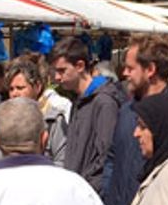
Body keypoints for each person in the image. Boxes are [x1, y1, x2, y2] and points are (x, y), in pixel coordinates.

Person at [52, 37, 124, 192]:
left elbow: (105, 156)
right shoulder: (78, 101)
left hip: (89, 194)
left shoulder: (104, 103)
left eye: (62, 70)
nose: (57, 78)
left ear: (80, 66)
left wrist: (88, 188)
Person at [0, 58, 71, 169]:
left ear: (37, 87)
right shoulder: (4, 120)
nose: (15, 94)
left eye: (20, 88)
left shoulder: (53, 121)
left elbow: (62, 162)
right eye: (11, 89)